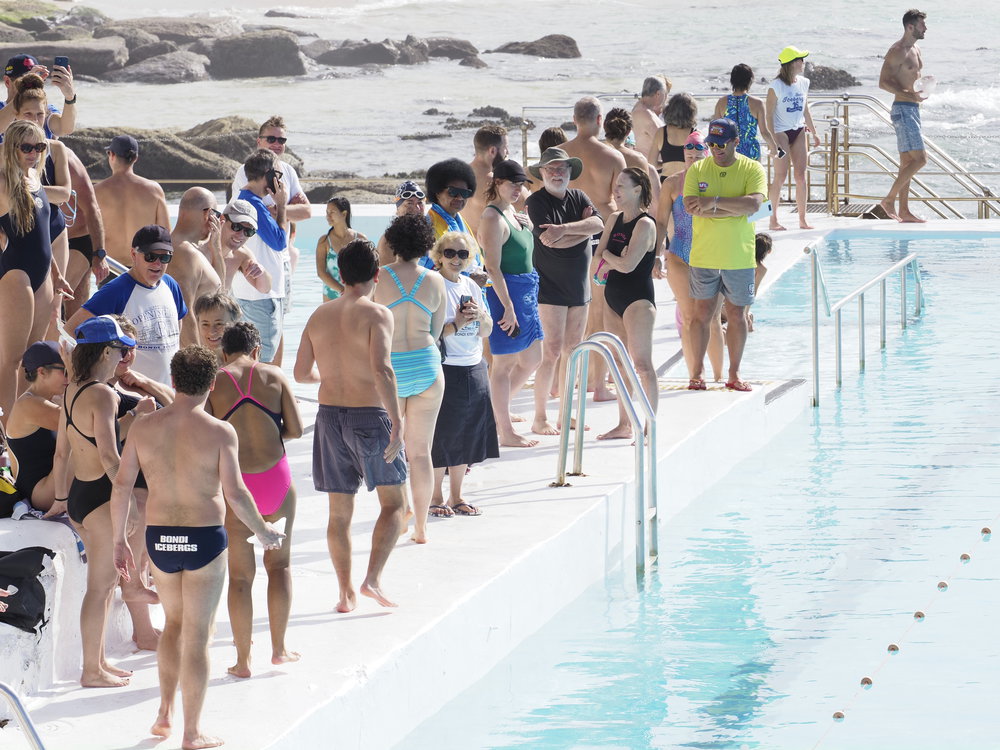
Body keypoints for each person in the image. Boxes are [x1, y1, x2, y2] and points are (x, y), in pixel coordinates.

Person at [111, 345, 283, 748]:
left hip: (161, 540)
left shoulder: (143, 427)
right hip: (204, 539)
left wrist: (120, 541)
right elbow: (237, 494)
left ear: (172, 381)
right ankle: (192, 732)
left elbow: (121, 486)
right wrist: (264, 532)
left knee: (173, 625)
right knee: (198, 633)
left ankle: (164, 713)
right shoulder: (221, 431)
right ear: (212, 384)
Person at [294, 240, 407, 611]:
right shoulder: (377, 314)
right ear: (376, 275)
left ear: (339, 275)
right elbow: (382, 371)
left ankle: (345, 593)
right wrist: (398, 421)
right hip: (369, 417)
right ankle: (372, 579)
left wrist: (332, 375)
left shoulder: (318, 315)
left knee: (339, 514)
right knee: (394, 504)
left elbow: (300, 373)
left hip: (328, 419)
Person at [52, 316, 158, 688]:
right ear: (106, 352)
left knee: (104, 586)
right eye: (120, 350)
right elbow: (112, 458)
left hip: (82, 494)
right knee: (100, 590)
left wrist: (60, 500)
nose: (124, 356)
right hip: (102, 498)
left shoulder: (73, 389)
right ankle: (90, 670)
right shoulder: (104, 393)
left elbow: (68, 450)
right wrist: (124, 503)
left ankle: (98, 662)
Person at [206, 322, 302, 679]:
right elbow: (295, 429)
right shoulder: (274, 376)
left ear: (224, 351)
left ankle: (243, 661)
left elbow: (209, 436)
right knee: (280, 567)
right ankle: (279, 650)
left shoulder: (215, 381)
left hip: (236, 489)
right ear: (257, 350)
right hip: (276, 480)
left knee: (241, 578)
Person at [374, 216, 446, 543]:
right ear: (425, 245)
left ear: (393, 244)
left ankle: (401, 511)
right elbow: (436, 330)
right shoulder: (435, 280)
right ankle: (421, 529)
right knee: (421, 453)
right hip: (427, 366)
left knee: (393, 447)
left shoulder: (380, 278)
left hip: (392, 368)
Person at [683, 118, 767, 392]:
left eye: (721, 144)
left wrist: (714, 203)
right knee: (701, 315)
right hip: (704, 255)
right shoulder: (697, 170)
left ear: (735, 142)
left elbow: (754, 204)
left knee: (736, 315)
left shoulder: (752, 168)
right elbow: (691, 206)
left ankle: (734, 373)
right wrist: (734, 208)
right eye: (712, 144)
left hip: (739, 256)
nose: (716, 149)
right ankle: (696, 373)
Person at [525, 147, 604, 435]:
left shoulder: (580, 197)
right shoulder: (536, 202)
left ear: (570, 172)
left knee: (574, 350)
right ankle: (539, 416)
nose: (557, 173)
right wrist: (579, 231)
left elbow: (599, 224)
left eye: (562, 168)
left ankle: (565, 414)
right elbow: (549, 242)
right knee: (552, 351)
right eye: (551, 169)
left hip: (579, 287)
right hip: (550, 287)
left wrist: (565, 229)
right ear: (542, 173)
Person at [561, 96, 626, 404]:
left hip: (567, 241)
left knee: (571, 313)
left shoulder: (561, 155)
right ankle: (597, 385)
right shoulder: (613, 158)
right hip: (601, 238)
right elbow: (619, 202)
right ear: (600, 120)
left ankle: (570, 380)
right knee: (598, 312)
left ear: (574, 120)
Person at [428, 232, 497, 516]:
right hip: (447, 366)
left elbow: (488, 330)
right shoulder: (434, 285)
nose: (456, 259)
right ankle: (435, 497)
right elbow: (430, 334)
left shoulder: (471, 284)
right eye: (449, 253)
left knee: (467, 434)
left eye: (462, 254)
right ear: (439, 256)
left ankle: (457, 495)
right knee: (443, 434)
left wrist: (481, 316)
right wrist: (457, 322)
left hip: (474, 364)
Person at [0, 120, 65, 423]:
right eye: (26, 147)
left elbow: (41, 235)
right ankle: (9, 429)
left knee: (31, 357)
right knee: (11, 359)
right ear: (11, 148)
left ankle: (24, 425)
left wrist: (55, 271)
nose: (33, 153)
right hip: (16, 274)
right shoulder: (3, 182)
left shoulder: (35, 181)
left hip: (41, 276)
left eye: (39, 147)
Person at [68, 225, 187, 386]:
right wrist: (100, 374)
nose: (157, 264)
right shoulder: (116, 291)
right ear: (134, 254)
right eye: (150, 257)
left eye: (165, 258)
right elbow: (71, 331)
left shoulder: (171, 285)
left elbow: (177, 334)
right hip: (132, 395)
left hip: (168, 392)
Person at [478, 159, 542, 446]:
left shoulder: (515, 214)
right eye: (512, 183)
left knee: (532, 359)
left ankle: (495, 410)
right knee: (502, 365)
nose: (518, 189)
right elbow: (492, 268)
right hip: (507, 294)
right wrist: (507, 306)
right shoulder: (492, 217)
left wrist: (528, 226)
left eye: (521, 184)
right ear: (497, 183)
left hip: (526, 292)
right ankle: (504, 430)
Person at [591, 168, 658, 440]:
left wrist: (609, 256)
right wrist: (610, 257)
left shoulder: (645, 224)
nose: (615, 190)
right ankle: (624, 424)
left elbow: (628, 266)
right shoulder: (614, 219)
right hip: (612, 298)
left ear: (637, 189)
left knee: (641, 365)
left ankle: (650, 426)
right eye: (615, 185)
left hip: (638, 301)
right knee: (618, 364)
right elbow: (596, 258)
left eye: (621, 186)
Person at [656, 131, 724, 382]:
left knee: (712, 318)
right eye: (689, 155)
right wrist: (655, 255)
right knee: (687, 318)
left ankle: (718, 376)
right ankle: (696, 374)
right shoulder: (672, 183)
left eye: (698, 155)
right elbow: (661, 222)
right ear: (683, 155)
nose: (694, 159)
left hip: (711, 255)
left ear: (706, 154)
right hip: (679, 255)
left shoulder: (718, 180)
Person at [9, 74, 72, 279]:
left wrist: (29, 188)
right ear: (16, 114)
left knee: (54, 308)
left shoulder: (55, 148)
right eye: (28, 114)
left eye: (39, 114)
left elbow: (64, 194)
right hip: (15, 231)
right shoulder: (5, 152)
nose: (35, 120)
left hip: (53, 227)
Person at [230, 149, 289, 364]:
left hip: (249, 292)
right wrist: (281, 205)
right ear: (268, 174)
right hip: (262, 296)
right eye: (278, 176)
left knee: (249, 358)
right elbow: (280, 242)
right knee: (263, 360)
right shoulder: (255, 205)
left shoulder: (243, 201)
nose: (279, 181)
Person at [878, 9, 929, 223]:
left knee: (907, 162)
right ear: (910, 27)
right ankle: (889, 200)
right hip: (903, 110)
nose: (925, 28)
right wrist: (910, 94)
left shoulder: (916, 48)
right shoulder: (897, 50)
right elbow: (883, 82)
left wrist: (923, 89)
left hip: (912, 109)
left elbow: (910, 78)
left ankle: (904, 211)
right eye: (921, 25)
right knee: (921, 159)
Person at [5, 341, 66, 512]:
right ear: (42, 372)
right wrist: (132, 416)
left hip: (53, 483)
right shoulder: (29, 404)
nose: (71, 377)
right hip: (41, 493)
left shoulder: (54, 399)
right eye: (66, 370)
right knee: (82, 441)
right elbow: (85, 425)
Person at [94, 134, 170, 268]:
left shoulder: (97, 191)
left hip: (111, 267)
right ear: (135, 158)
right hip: (145, 266)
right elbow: (165, 235)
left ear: (111, 155)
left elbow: (88, 233)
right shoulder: (154, 190)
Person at [766, 46, 821, 231]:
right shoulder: (776, 86)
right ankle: (772, 219)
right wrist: (773, 142)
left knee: (800, 176)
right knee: (780, 177)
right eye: (800, 59)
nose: (803, 63)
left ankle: (802, 219)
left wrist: (814, 132)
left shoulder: (804, 82)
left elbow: (805, 109)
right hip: (781, 133)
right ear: (792, 63)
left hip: (798, 131)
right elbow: (768, 116)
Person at [169, 188, 224, 346]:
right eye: (217, 215)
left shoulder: (193, 250)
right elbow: (185, 315)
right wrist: (196, 362)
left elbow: (221, 291)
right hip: (195, 357)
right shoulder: (185, 254)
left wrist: (217, 248)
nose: (219, 221)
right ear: (208, 214)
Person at [425, 158, 486, 279]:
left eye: (465, 193)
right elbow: (423, 268)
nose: (459, 198)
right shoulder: (427, 225)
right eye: (453, 192)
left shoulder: (459, 220)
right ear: (437, 192)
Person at [0, 53, 76, 138]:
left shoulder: (44, 110)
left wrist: (70, 97)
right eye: (23, 80)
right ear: (7, 82)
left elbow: (65, 129)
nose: (30, 85)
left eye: (34, 79)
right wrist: (23, 89)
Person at [713, 63, 777, 162]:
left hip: (729, 152)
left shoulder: (721, 102)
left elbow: (716, 132)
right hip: (751, 152)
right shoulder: (758, 103)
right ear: (750, 80)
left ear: (732, 80)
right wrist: (774, 148)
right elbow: (764, 132)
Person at [603, 107, 661, 213]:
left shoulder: (592, 151)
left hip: (594, 217)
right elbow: (644, 201)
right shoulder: (638, 159)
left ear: (604, 126)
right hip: (626, 220)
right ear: (629, 131)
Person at [317, 197, 367, 302]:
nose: (328, 216)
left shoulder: (361, 240)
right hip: (331, 297)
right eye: (327, 212)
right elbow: (321, 273)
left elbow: (369, 270)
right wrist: (343, 290)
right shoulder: (324, 241)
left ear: (344, 214)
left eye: (332, 212)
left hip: (355, 296)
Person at [464, 124, 510, 236]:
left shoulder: (459, 175)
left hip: (465, 245)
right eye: (505, 148)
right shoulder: (494, 182)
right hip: (487, 248)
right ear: (493, 151)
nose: (507, 152)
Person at [215, 199, 269, 295]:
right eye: (236, 227)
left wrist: (261, 271)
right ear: (222, 219)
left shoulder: (241, 255)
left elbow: (264, 289)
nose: (241, 235)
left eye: (248, 231)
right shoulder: (201, 249)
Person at [649, 92, 698, 180]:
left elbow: (652, 163)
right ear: (691, 113)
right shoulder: (695, 134)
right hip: (687, 181)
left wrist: (666, 163)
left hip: (666, 180)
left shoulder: (661, 132)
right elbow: (700, 164)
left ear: (669, 110)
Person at [377, 180, 426, 265]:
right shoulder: (388, 241)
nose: (416, 208)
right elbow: (384, 276)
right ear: (398, 210)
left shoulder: (429, 235)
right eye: (409, 203)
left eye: (420, 203)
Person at [193, 291, 242, 363]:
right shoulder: (192, 364)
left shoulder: (245, 361)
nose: (211, 332)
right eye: (205, 324)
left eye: (219, 324)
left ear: (234, 323)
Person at [631, 75, 669, 160]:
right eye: (665, 94)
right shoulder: (646, 114)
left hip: (648, 163)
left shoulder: (639, 107)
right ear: (658, 94)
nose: (666, 98)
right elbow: (666, 141)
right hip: (652, 167)